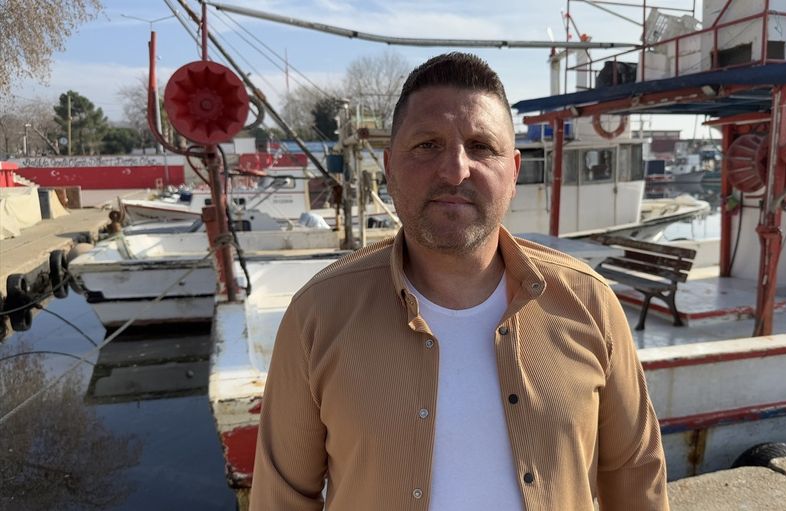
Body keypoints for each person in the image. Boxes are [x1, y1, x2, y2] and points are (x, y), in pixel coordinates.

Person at [250, 52, 669, 511]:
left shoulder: (589, 303)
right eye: (427, 145)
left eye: (481, 146)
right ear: (389, 167)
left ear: (513, 171)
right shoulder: (318, 315)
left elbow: (635, 475)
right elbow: (282, 499)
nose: (454, 170)